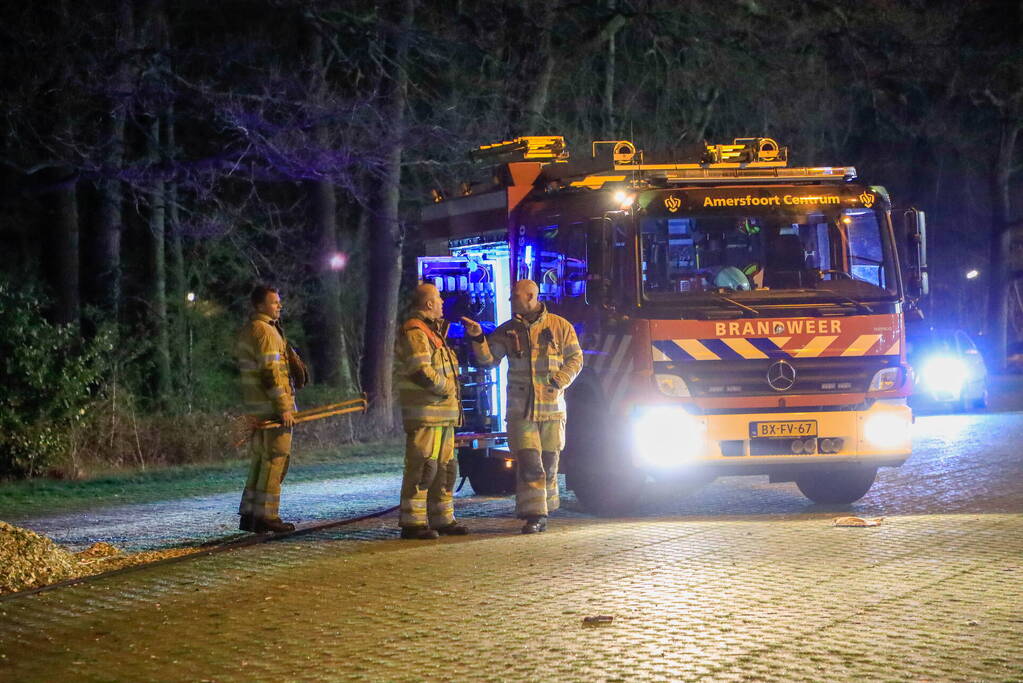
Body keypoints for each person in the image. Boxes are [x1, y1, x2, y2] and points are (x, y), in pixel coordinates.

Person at [462, 279, 583, 534]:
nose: (511, 300)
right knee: (530, 462)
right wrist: (477, 338)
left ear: (530, 297)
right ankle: (534, 515)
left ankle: (546, 510)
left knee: (550, 463)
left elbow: (576, 358)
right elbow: (488, 360)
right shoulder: (508, 331)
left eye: (515, 296)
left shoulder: (560, 327)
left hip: (552, 409)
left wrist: (560, 381)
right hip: (521, 411)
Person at [394, 283, 470, 540]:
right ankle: (413, 523)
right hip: (427, 414)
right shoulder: (416, 332)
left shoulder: (433, 331)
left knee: (446, 468)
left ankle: (442, 518)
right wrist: (447, 387)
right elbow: (420, 371)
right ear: (428, 304)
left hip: (442, 414)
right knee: (423, 467)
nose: (441, 302)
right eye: (438, 298)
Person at [235, 285, 301, 534]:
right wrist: (284, 407)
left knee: (260, 461)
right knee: (276, 460)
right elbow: (272, 373)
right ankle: (268, 516)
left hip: (256, 407)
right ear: (260, 305)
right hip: (272, 409)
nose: (279, 306)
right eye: (274, 302)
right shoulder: (266, 332)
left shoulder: (248, 330)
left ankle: (250, 514)